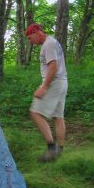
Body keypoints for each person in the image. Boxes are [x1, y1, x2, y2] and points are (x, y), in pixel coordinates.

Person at [25, 23, 68, 162]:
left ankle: (51, 149)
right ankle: (60, 151)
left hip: (54, 83)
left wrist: (43, 87)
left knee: (35, 112)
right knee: (58, 117)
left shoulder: (48, 44)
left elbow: (53, 67)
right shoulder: (52, 42)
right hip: (62, 82)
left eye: (30, 38)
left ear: (37, 32)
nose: (30, 42)